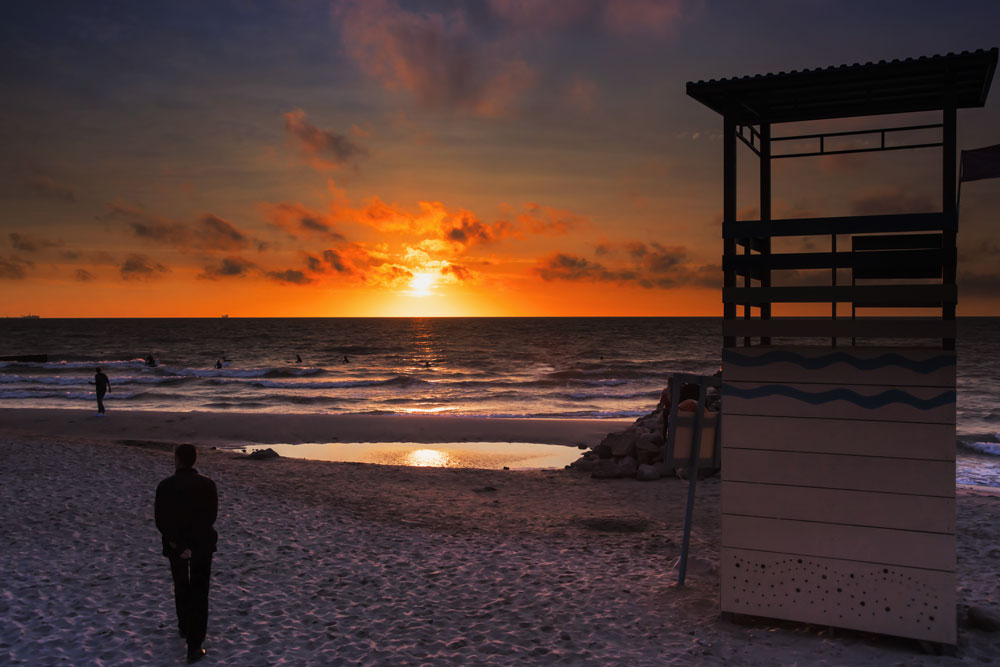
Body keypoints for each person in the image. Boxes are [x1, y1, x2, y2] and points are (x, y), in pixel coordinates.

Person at [155, 444, 218, 664]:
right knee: (200, 592)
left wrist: (178, 544)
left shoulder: (165, 486)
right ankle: (194, 644)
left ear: (178, 460)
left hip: (176, 545)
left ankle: (184, 627)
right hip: (201, 544)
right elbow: (211, 517)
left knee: (181, 586)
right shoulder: (207, 484)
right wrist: (191, 543)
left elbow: (161, 520)